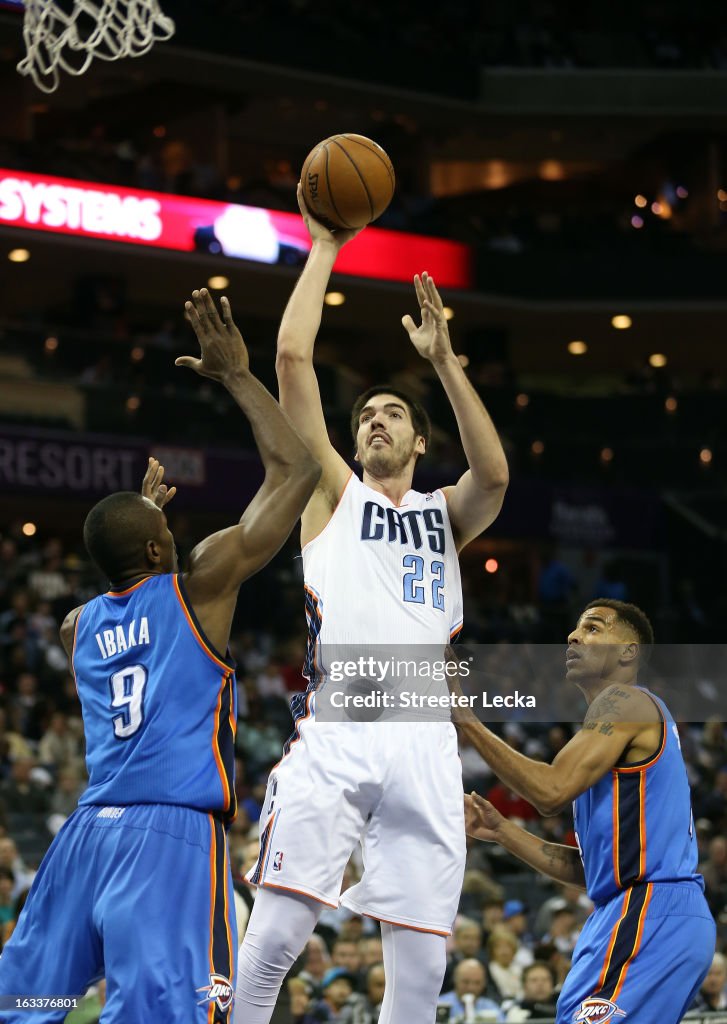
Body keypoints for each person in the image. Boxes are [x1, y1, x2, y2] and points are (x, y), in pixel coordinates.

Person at [0, 288, 320, 1023]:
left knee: (31, 999)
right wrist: (237, 374)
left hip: (84, 835)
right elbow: (296, 475)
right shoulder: (199, 584)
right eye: (161, 535)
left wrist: (143, 529)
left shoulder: (75, 627)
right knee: (161, 1012)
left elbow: (123, 588)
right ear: (157, 547)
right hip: (167, 834)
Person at [234, 186, 509, 1024]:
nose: (376, 421)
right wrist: (323, 246)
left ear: (420, 442)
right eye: (366, 417)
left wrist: (442, 361)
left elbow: (494, 476)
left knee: (421, 971)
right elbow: (289, 363)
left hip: (426, 742)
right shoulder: (331, 495)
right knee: (279, 932)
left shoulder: (442, 513)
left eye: (393, 414)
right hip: (344, 728)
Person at [460, 599, 715, 1024]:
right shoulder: (609, 736)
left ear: (628, 652)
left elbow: (550, 791)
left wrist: (466, 720)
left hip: (651, 909)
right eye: (577, 629)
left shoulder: (626, 701)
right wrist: (503, 830)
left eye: (594, 628)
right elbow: (589, 872)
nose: (574, 636)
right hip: (634, 910)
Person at [437, 959, 503, 1022]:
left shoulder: (491, 1008)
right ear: (455, 980)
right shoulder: (439, 1005)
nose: (471, 988)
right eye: (466, 982)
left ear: (484, 984)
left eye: (477, 983)